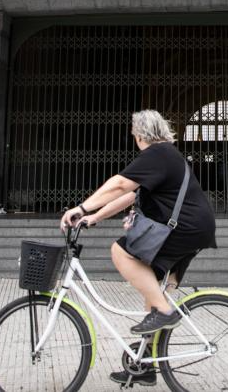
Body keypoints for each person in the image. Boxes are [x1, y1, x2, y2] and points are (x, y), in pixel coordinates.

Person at [61, 109, 216, 387]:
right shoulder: (166, 156)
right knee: (153, 299)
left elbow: (120, 184)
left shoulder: (158, 154)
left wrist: (81, 207)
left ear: (141, 134)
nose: (134, 138)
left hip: (185, 229)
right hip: (195, 229)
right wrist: (94, 217)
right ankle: (146, 366)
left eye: (134, 134)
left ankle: (165, 313)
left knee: (120, 252)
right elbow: (131, 195)